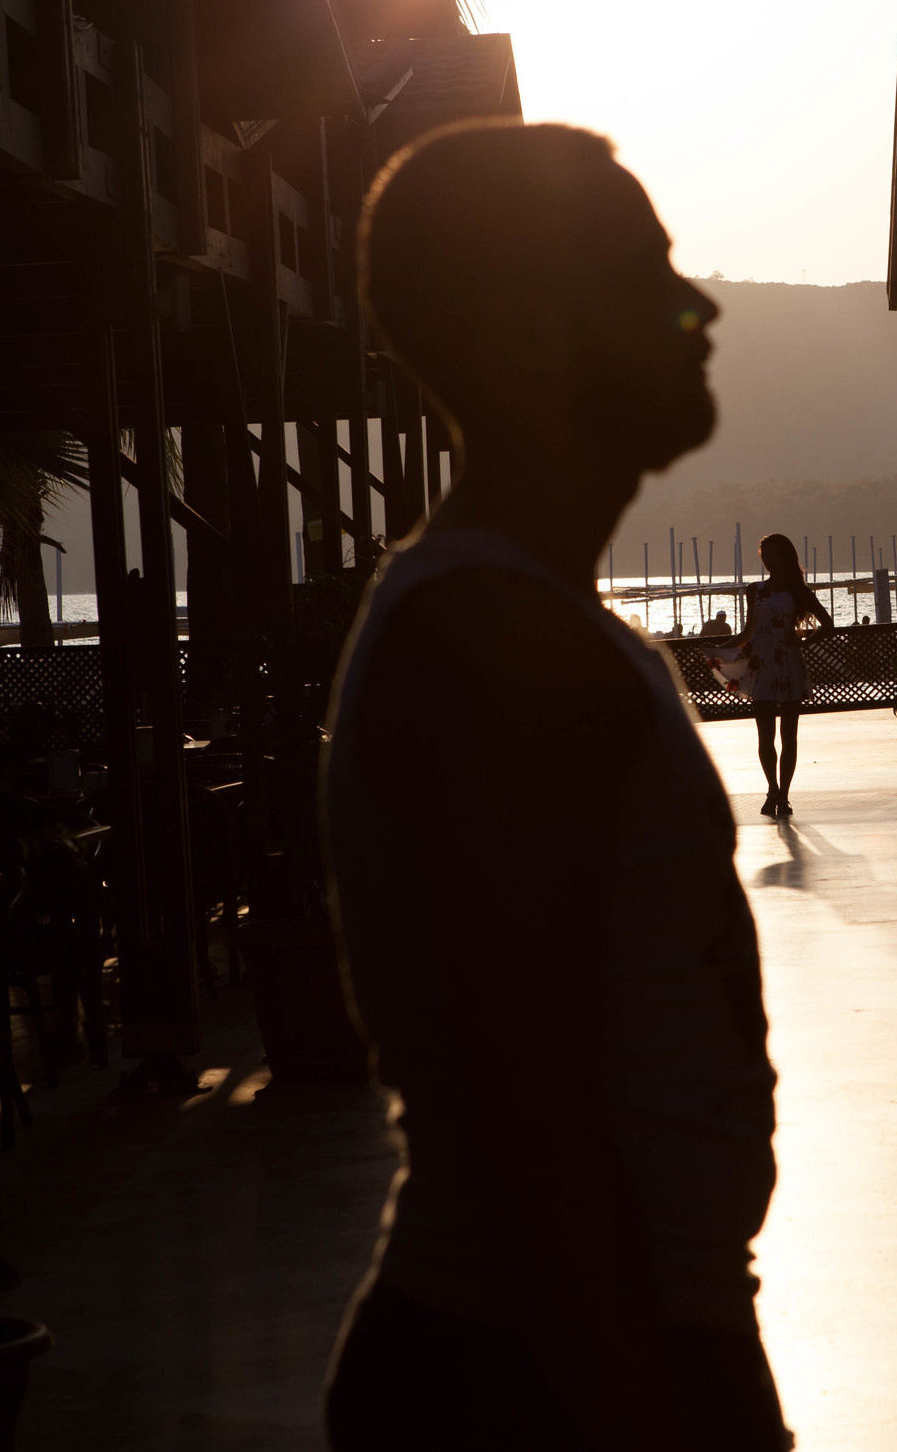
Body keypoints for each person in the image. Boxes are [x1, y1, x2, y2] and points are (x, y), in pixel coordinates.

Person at [320, 122, 787, 1451]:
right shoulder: (500, 649)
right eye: (647, 276)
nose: (695, 309)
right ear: (530, 333)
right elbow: (538, 1140)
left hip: (574, 1350)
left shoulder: (524, 622)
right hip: (543, 1378)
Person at [739, 533, 832, 820]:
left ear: (786, 557)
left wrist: (803, 643)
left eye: (775, 555)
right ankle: (772, 788)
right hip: (762, 665)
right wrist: (720, 650)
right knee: (765, 737)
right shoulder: (754, 590)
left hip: (789, 664)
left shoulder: (798, 591)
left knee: (788, 736)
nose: (770, 561)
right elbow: (748, 632)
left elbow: (827, 624)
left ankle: (783, 796)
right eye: (766, 555)